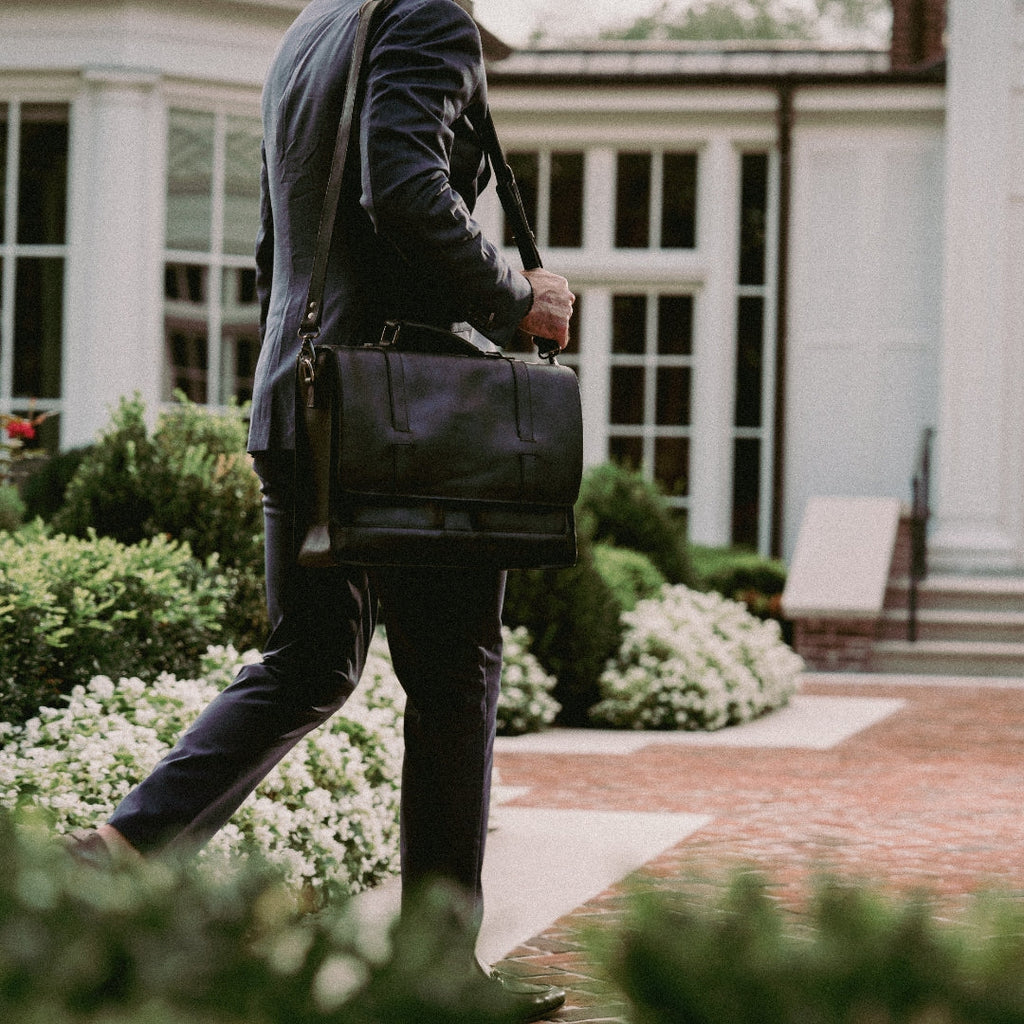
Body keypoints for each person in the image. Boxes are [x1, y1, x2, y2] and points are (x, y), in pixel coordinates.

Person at [68, 0, 573, 1020]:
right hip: (402, 422)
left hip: (300, 393)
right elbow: (405, 190)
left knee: (311, 660)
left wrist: (302, 378)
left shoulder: (309, 29)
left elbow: (277, 247)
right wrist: (517, 297)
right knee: (452, 678)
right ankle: (433, 973)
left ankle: (117, 848)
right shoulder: (427, 11)